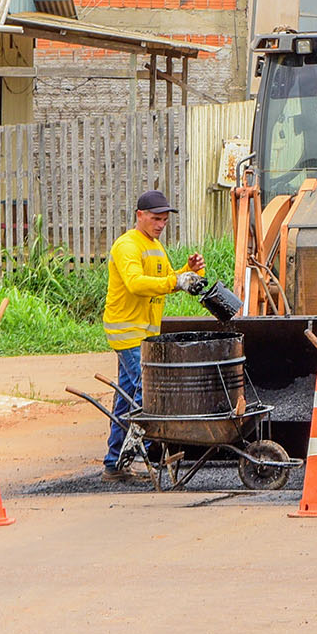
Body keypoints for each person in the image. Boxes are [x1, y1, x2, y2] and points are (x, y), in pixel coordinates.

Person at [102, 191, 203, 482]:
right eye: (156, 219)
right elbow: (135, 284)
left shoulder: (155, 246)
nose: (160, 225)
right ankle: (137, 458)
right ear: (140, 216)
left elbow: (165, 282)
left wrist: (187, 271)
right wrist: (176, 280)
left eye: (165, 220)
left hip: (144, 334)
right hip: (127, 332)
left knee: (128, 397)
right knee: (147, 395)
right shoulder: (127, 246)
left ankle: (114, 463)